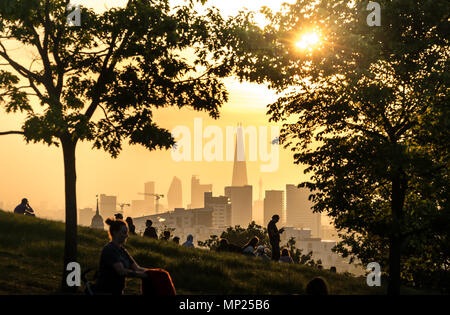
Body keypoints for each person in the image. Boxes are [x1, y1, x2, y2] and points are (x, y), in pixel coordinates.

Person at [94, 218, 149, 295]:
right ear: (115, 232)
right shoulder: (109, 249)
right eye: (124, 232)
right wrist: (142, 275)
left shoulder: (122, 251)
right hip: (105, 291)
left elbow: (137, 268)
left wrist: (154, 272)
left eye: (127, 233)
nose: (126, 235)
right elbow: (121, 271)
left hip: (118, 291)